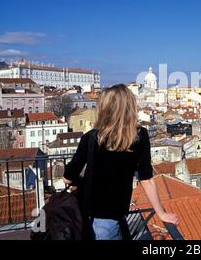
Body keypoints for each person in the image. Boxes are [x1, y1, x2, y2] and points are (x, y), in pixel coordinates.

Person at [63, 84, 179, 240]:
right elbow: (146, 179)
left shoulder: (91, 137)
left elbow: (68, 177)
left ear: (104, 108)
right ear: (129, 107)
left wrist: (80, 181)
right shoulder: (139, 136)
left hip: (85, 213)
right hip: (113, 215)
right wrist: (161, 213)